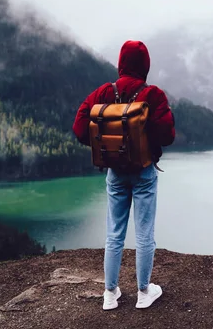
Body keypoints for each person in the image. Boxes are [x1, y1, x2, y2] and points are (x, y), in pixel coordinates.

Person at [72, 40, 175, 310]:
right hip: (143, 172)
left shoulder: (104, 92)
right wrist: (145, 137)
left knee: (114, 233)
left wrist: (105, 146)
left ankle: (110, 293)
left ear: (120, 64)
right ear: (146, 65)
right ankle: (143, 292)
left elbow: (80, 127)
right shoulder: (152, 95)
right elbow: (168, 135)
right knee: (144, 233)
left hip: (115, 172)